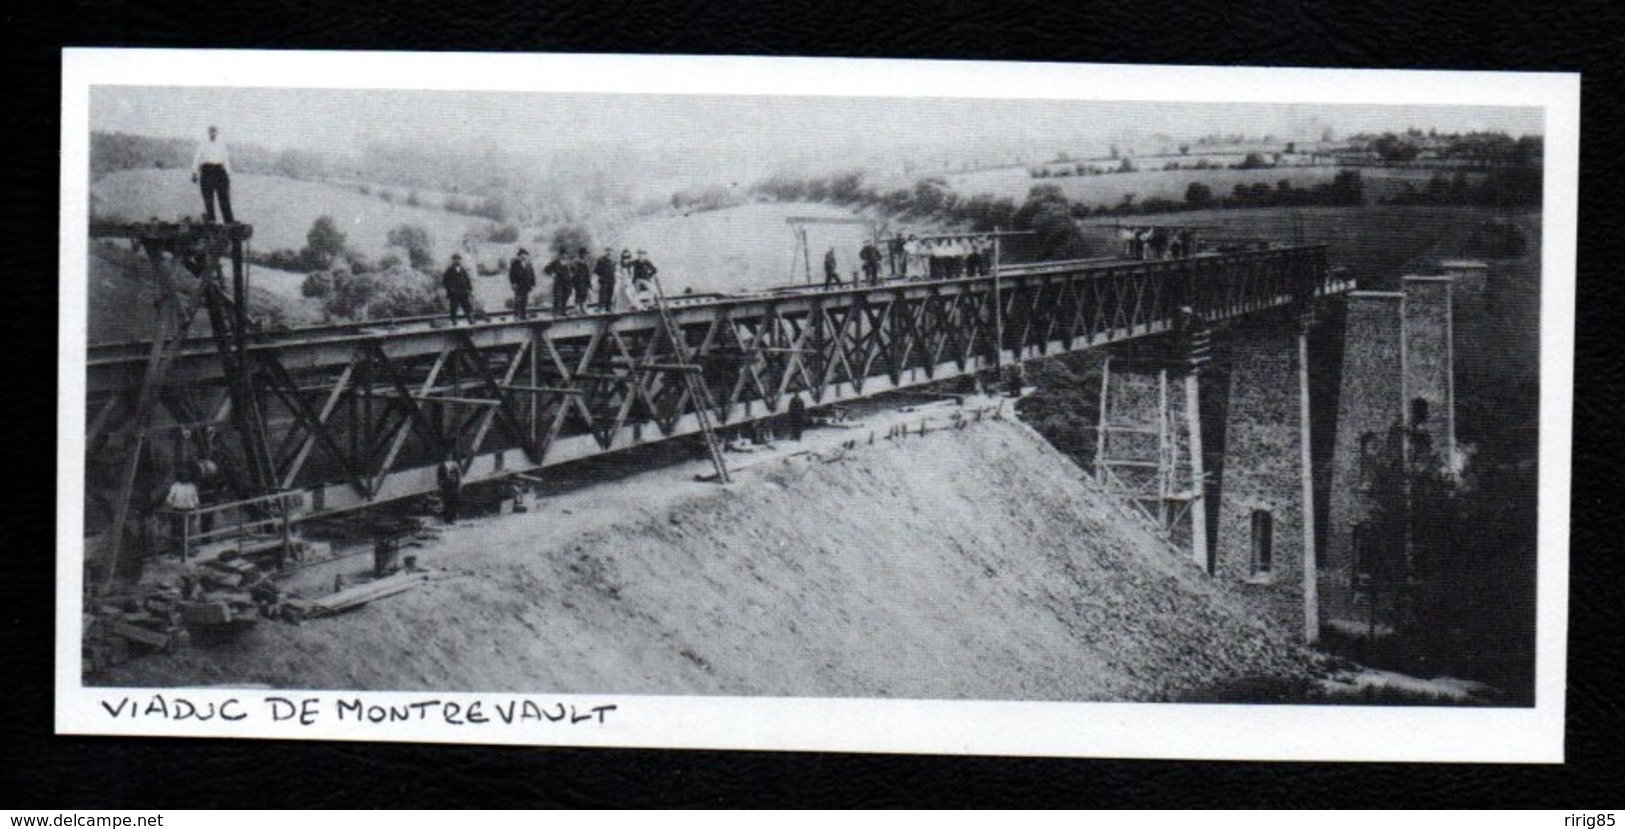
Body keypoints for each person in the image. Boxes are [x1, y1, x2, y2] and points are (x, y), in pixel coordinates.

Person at [191, 125, 234, 224]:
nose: (212, 134)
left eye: (214, 132)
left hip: (219, 170)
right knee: (208, 197)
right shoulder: (202, 143)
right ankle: (211, 220)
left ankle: (229, 221)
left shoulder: (221, 144)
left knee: (224, 197)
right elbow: (197, 157)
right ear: (208, 132)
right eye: (211, 132)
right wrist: (194, 172)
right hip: (207, 170)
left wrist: (228, 174)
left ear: (217, 133)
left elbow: (226, 159)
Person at [163, 471, 201, 558]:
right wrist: (171, 508)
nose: (185, 477)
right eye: (183, 476)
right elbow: (169, 499)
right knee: (176, 531)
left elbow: (196, 500)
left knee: (189, 531)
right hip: (178, 511)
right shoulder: (175, 486)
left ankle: (189, 550)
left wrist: (196, 510)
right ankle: (175, 551)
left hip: (189, 510)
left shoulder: (191, 486)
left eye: (186, 476)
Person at [442, 253, 474, 325]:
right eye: (455, 259)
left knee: (466, 306)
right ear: (453, 260)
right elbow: (445, 281)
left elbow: (467, 280)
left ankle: (470, 319)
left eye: (458, 259)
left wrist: (469, 289)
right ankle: (454, 320)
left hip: (463, 292)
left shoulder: (462, 269)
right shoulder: (449, 270)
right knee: (454, 307)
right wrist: (450, 289)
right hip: (454, 293)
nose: (457, 261)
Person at [508, 248, 536, 320]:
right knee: (518, 300)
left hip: (526, 285)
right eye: (522, 255)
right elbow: (511, 274)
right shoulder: (515, 263)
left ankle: (523, 315)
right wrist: (513, 283)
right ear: (519, 256)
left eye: (525, 255)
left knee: (525, 300)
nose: (523, 257)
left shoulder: (528, 264)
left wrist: (533, 284)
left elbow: (532, 274)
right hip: (518, 285)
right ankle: (516, 315)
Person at [436, 454, 463, 525]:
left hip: (454, 485)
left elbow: (459, 475)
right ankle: (447, 519)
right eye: (447, 456)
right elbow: (439, 477)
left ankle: (454, 518)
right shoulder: (442, 465)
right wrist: (440, 486)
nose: (448, 457)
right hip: (446, 486)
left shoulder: (455, 464)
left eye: (450, 456)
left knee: (454, 502)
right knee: (447, 502)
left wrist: (459, 484)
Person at [544, 250, 570, 316]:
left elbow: (573, 269)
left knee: (565, 296)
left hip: (567, 282)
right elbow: (546, 269)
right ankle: (555, 312)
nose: (564, 255)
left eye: (566, 254)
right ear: (560, 255)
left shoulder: (568, 262)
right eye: (563, 254)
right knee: (557, 297)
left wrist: (571, 275)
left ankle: (563, 311)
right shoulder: (555, 262)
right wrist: (552, 274)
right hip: (558, 282)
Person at [594, 247, 618, 312]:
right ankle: (600, 307)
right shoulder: (600, 260)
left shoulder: (613, 261)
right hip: (603, 279)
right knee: (602, 294)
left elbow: (615, 270)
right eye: (607, 251)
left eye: (610, 251)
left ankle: (608, 307)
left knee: (610, 293)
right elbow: (596, 270)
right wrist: (600, 277)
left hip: (611, 280)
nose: (609, 253)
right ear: (604, 252)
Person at [571, 247, 593, 314]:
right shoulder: (576, 261)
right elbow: (573, 272)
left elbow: (587, 273)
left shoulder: (585, 261)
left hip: (585, 281)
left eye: (585, 254)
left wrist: (589, 283)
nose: (585, 255)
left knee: (584, 295)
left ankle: (582, 308)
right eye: (584, 254)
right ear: (581, 254)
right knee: (579, 295)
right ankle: (576, 309)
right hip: (578, 281)